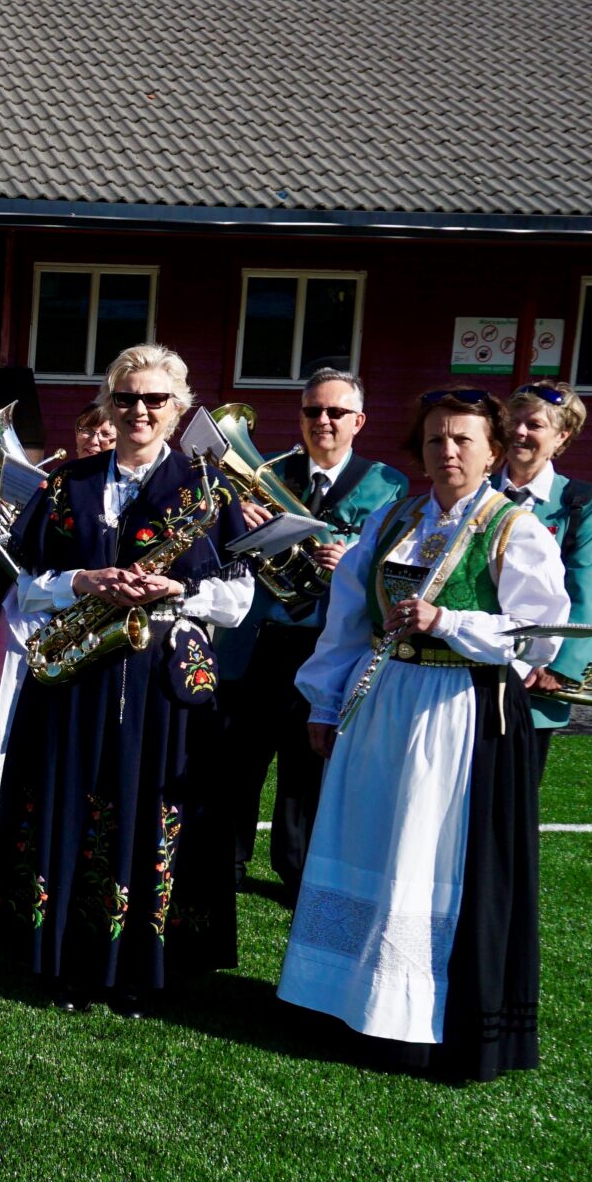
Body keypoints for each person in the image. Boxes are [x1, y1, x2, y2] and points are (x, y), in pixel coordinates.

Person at [278, 389, 569, 1082]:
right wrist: (324, 701)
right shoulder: (394, 518)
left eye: (464, 439)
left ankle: (411, 1019)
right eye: (436, 438)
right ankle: (340, 997)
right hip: (381, 703)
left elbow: (541, 633)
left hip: (459, 710)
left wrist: (450, 622)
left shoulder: (513, 528)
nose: (448, 451)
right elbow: (349, 617)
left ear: (493, 449)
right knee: (364, 840)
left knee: (421, 854)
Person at [0, 344, 255, 1015]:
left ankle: (140, 967)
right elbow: (24, 584)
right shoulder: (66, 483)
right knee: (73, 807)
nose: (139, 410)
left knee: (152, 814)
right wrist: (82, 579)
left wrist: (178, 589)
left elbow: (238, 597)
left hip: (166, 680)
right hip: (79, 673)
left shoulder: (210, 487)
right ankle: (69, 962)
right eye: (127, 397)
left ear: (179, 407)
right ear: (109, 402)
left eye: (155, 399)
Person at [209, 369, 408, 889]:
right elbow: (217, 545)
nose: (322, 421)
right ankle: (225, 860)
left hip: (322, 643)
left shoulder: (386, 482)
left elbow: (392, 566)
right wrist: (236, 519)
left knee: (307, 761)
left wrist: (353, 561)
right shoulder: (266, 471)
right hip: (256, 639)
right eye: (312, 411)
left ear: (358, 421)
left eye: (335, 412)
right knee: (237, 755)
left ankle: (296, 868)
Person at [498, 382, 592, 772]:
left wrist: (563, 665)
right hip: (464, 666)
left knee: (514, 801)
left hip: (536, 677)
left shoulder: (584, 505)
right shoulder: (471, 488)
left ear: (561, 436)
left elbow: (589, 590)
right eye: (513, 421)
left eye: (534, 425)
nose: (519, 432)